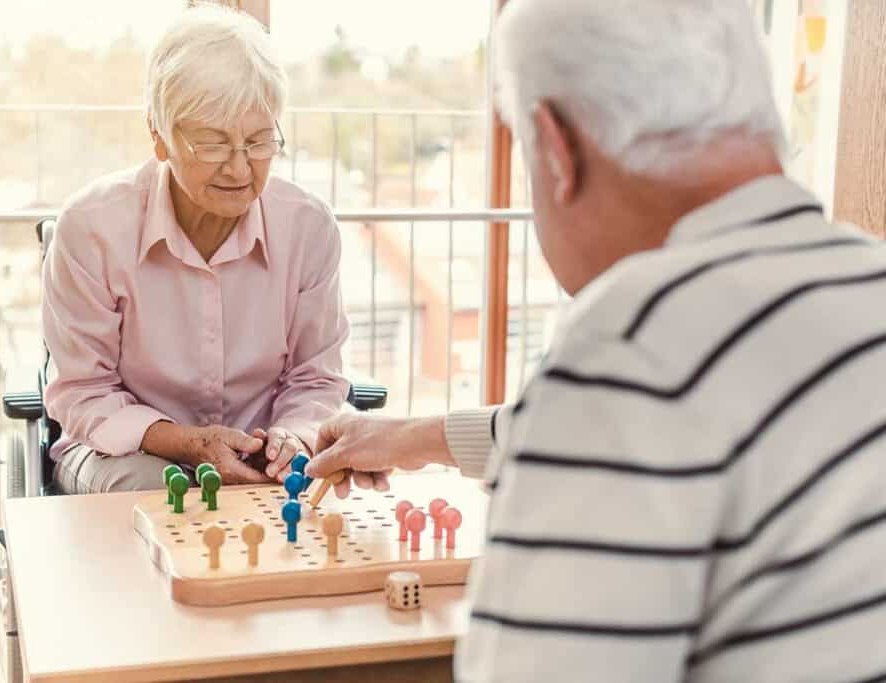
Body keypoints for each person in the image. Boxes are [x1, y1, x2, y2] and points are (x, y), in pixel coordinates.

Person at [306, 0, 886, 680]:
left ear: (556, 150)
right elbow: (690, 425)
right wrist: (413, 438)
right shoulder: (862, 278)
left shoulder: (629, 344)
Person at [42, 4, 349, 494]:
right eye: (212, 144)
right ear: (158, 136)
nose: (239, 169)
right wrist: (189, 443)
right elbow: (84, 392)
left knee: (299, 497)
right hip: (125, 452)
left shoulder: (308, 226)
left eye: (258, 141)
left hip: (260, 456)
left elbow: (316, 378)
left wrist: (293, 438)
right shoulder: (91, 226)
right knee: (163, 494)